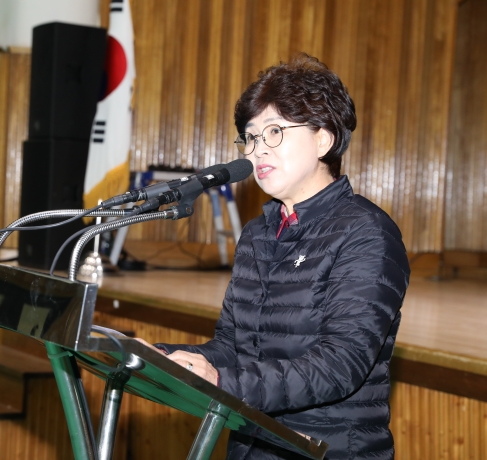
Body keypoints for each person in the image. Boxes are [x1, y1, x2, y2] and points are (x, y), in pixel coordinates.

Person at [139, 53, 411, 459]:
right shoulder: (258, 234)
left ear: (324, 140)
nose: (257, 151)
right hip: (251, 444)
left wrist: (223, 382)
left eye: (274, 132)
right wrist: (162, 359)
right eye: (250, 137)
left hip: (328, 450)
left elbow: (340, 365)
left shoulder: (366, 232)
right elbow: (233, 348)